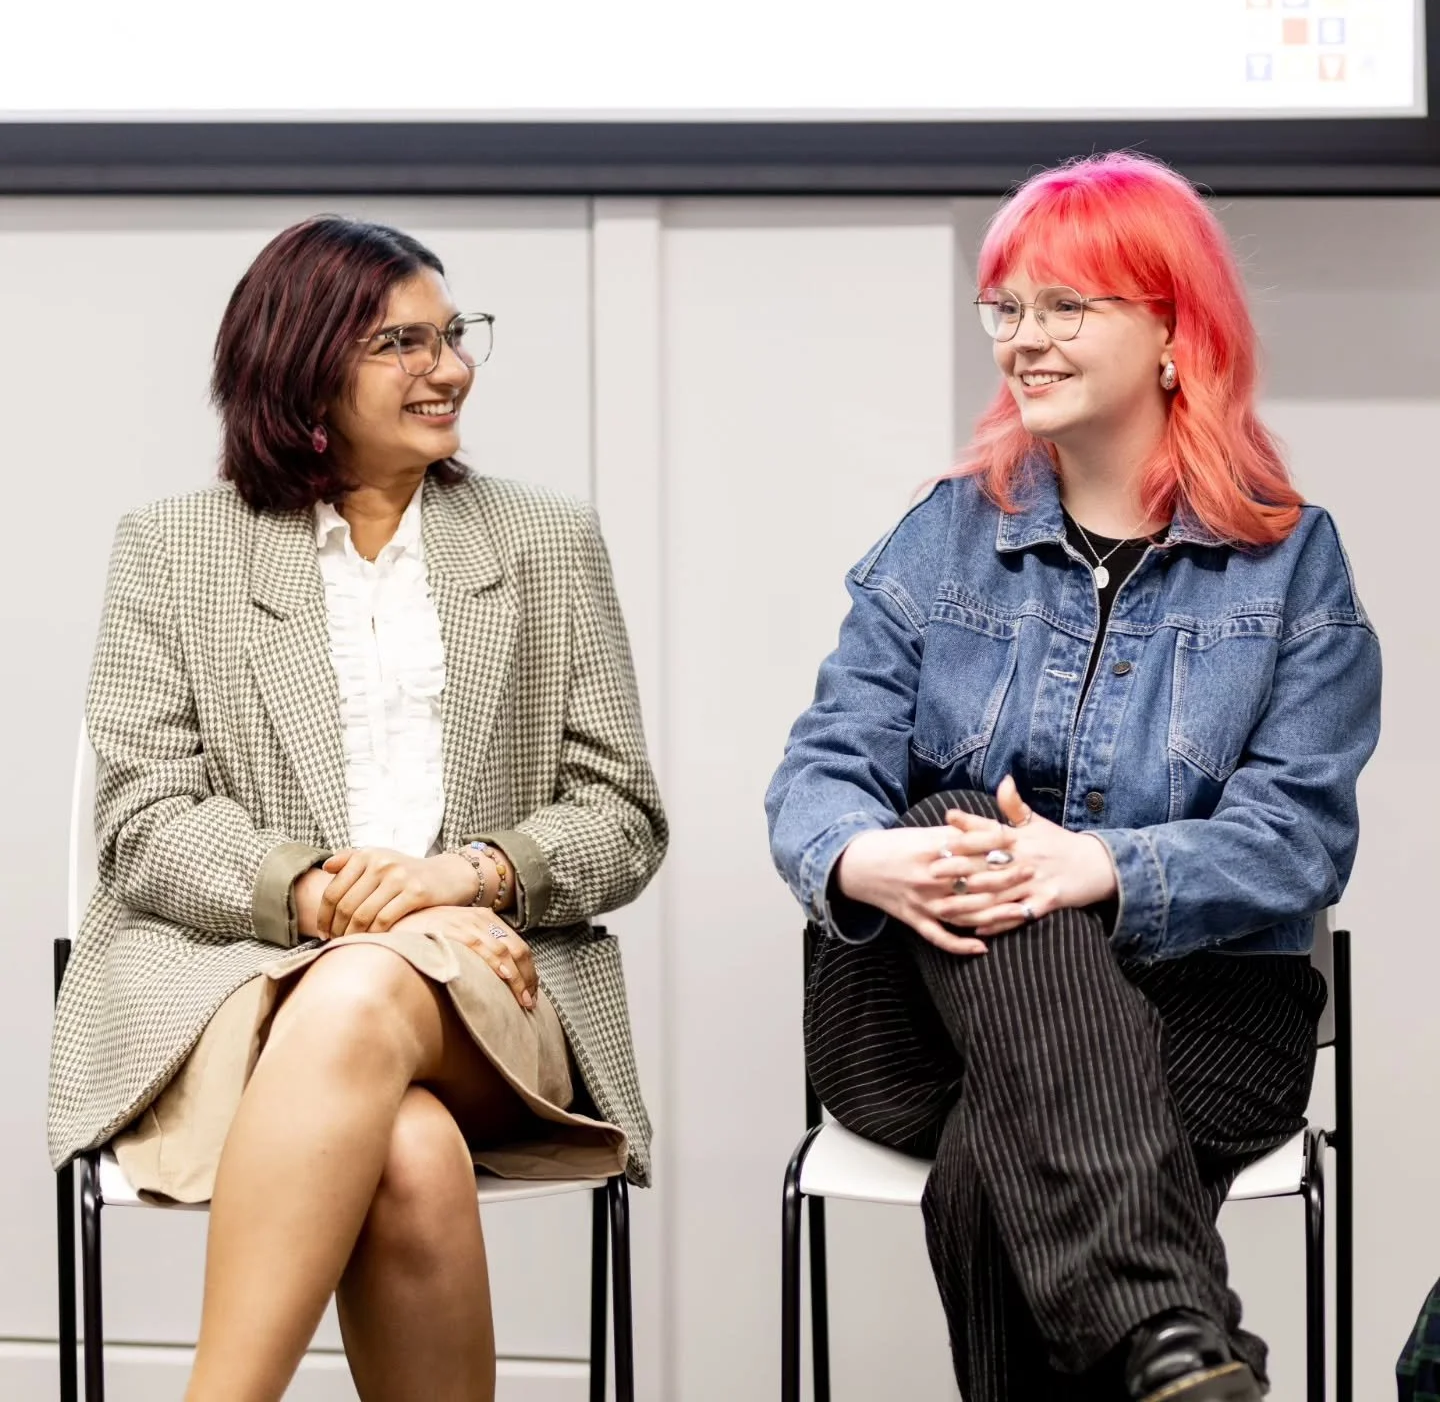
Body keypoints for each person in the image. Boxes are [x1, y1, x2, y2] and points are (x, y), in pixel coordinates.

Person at [766, 153, 1380, 1402]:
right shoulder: (945, 534)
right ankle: (1174, 1330)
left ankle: (1170, 1355)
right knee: (948, 820)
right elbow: (823, 764)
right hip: (920, 1013)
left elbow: (1300, 838)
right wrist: (860, 855)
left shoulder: (1291, 565)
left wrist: (1101, 866)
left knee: (1002, 1170)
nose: (1022, 342)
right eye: (1007, 308)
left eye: (1065, 308)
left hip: (1202, 1017)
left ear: (1173, 331)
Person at [47, 216, 666, 1402]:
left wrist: (465, 878)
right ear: (303, 366)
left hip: (495, 988)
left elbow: (621, 811)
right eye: (403, 343)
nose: (449, 369)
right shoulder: (172, 550)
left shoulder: (544, 541)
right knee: (409, 1150)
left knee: (371, 981)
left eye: (454, 336)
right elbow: (143, 818)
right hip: (234, 986)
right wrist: (323, 892)